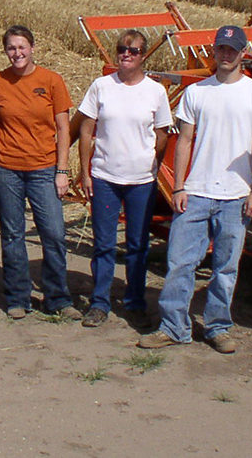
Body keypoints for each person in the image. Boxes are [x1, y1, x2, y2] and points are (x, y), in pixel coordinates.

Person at [138, 25, 252, 354]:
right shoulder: (197, 92)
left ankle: (217, 327)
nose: (225, 55)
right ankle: (173, 327)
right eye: (220, 49)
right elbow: (183, 140)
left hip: (236, 195)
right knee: (179, 263)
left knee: (226, 267)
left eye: (232, 50)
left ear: (243, 53)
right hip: (196, 192)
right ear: (214, 52)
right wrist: (180, 186)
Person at [78, 30, 172, 329]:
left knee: (138, 245)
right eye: (121, 49)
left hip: (141, 181)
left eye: (133, 51)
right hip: (105, 177)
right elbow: (85, 130)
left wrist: (152, 163)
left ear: (143, 55)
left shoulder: (156, 92)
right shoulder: (101, 86)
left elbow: (162, 134)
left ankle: (135, 301)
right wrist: (85, 170)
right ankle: (100, 303)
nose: (126, 55)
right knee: (103, 244)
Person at [0, 25, 80, 321]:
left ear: (32, 47)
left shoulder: (51, 81)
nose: (17, 53)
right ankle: (17, 297)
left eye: (22, 47)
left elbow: (64, 128)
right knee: (13, 234)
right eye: (11, 48)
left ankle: (57, 297)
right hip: (5, 169)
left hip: (43, 169)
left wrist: (62, 170)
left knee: (53, 234)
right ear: (6, 51)